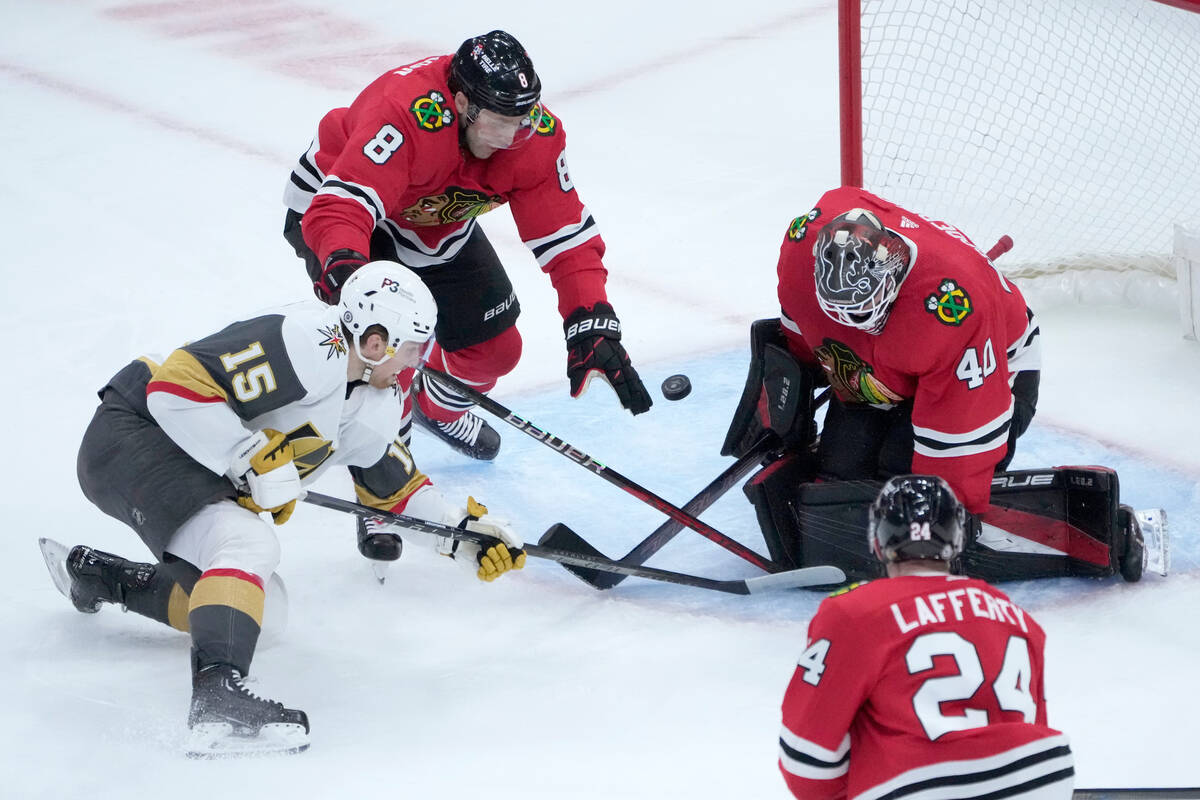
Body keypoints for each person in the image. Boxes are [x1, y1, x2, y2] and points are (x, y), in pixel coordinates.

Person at [41, 262, 525, 758]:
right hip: (135, 430)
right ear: (374, 342)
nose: (415, 364)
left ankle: (105, 577)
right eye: (410, 349)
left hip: (182, 470)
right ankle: (216, 701)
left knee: (263, 614)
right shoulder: (310, 340)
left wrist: (463, 534)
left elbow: (395, 492)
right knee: (249, 542)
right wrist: (247, 455)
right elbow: (175, 387)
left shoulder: (377, 400)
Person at [723, 186, 1165, 584]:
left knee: (906, 487)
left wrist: (936, 535)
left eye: (863, 310)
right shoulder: (801, 248)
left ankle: (1104, 532)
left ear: (895, 278)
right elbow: (806, 331)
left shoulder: (954, 310)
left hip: (993, 366)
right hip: (888, 370)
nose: (850, 322)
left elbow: (958, 450)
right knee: (840, 484)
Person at [282, 29, 652, 462]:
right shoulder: (404, 112)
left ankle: (434, 409)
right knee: (386, 362)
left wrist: (590, 317)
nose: (516, 135)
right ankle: (386, 478)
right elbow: (340, 209)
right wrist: (349, 274)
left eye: (524, 118)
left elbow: (566, 236)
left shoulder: (534, 135)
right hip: (342, 212)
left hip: (433, 223)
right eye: (502, 122)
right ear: (461, 105)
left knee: (495, 353)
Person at [778, 474, 1076, 799]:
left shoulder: (854, 613)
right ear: (958, 540)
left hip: (919, 786)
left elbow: (806, 757)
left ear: (877, 542)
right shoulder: (1017, 618)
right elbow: (1035, 723)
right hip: (1037, 782)